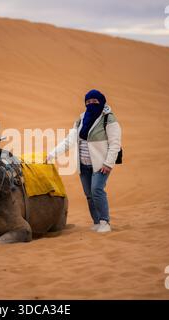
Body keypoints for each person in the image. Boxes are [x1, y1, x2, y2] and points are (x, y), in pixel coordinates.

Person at [46, 89, 122, 233]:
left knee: (97, 190)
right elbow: (69, 141)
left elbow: (115, 144)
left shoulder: (108, 119)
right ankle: (96, 222)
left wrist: (108, 164)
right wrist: (52, 155)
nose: (91, 104)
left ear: (101, 101)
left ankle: (105, 222)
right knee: (89, 194)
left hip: (100, 165)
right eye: (88, 102)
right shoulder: (81, 120)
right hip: (83, 165)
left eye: (94, 101)